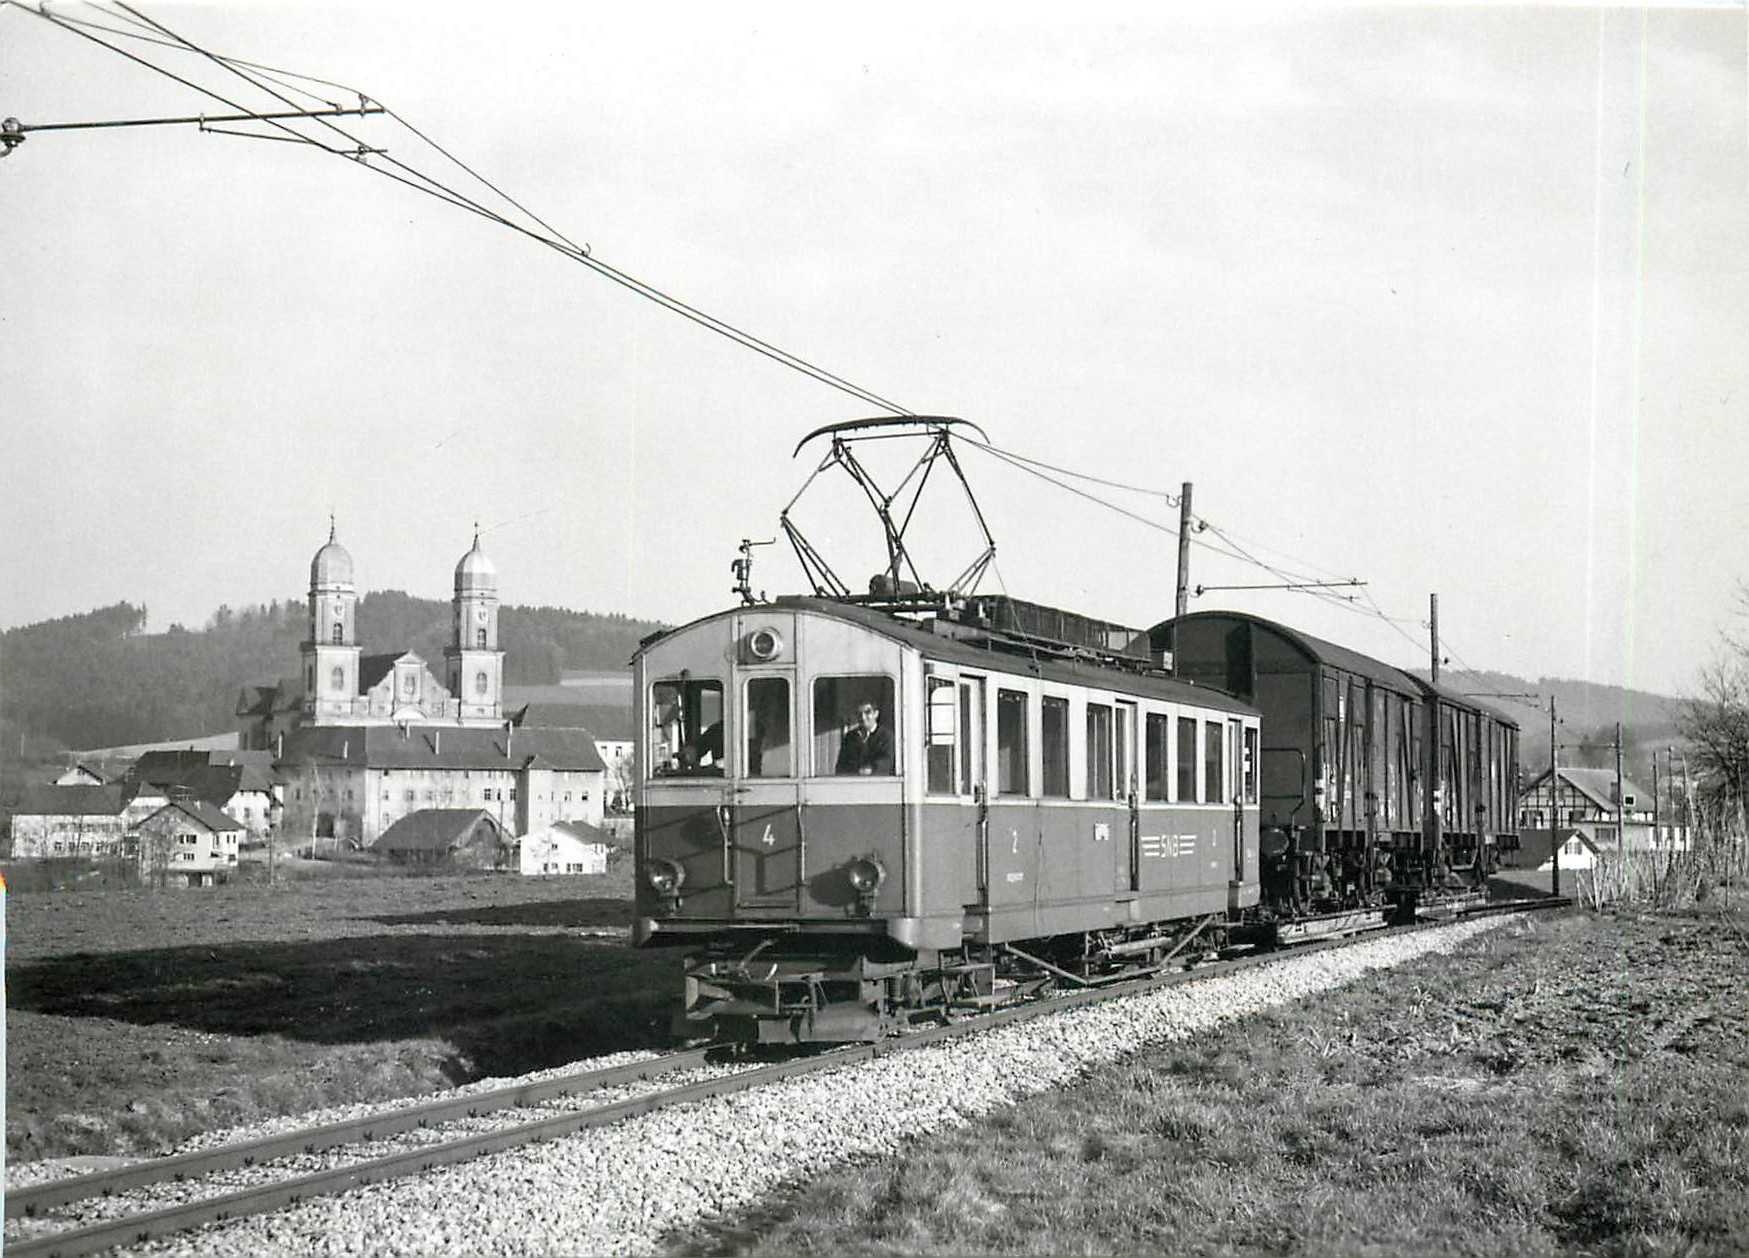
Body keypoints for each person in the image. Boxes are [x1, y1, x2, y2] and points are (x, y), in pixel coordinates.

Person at [836, 702, 893, 775]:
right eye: (859, 714)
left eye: (867, 712)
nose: (863, 717)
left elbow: (887, 762)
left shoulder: (886, 736)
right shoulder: (850, 737)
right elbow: (841, 765)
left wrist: (871, 769)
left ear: (876, 714)